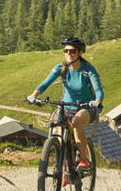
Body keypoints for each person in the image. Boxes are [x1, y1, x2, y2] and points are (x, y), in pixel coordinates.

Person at [27, 36, 104, 171]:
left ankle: (84, 160)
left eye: (72, 51)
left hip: (87, 107)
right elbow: (45, 84)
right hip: (66, 106)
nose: (68, 54)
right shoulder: (61, 68)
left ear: (80, 53)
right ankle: (63, 164)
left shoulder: (88, 70)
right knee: (56, 127)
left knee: (76, 121)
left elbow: (98, 90)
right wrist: (34, 95)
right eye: (66, 51)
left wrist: (97, 102)